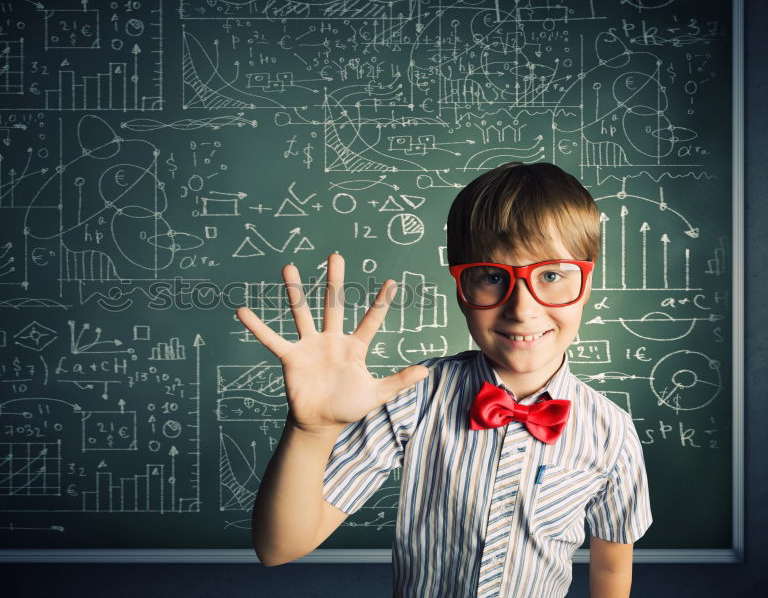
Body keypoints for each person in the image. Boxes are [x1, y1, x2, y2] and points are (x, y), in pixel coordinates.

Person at [234, 162, 652, 597]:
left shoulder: (612, 432)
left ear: (586, 280)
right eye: (492, 277)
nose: (522, 310)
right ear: (460, 284)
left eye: (551, 275)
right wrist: (311, 430)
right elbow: (279, 547)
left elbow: (610, 568)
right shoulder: (415, 395)